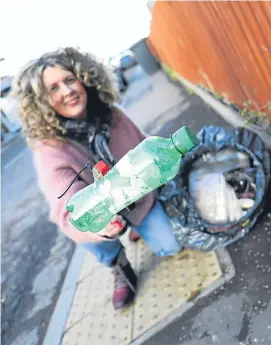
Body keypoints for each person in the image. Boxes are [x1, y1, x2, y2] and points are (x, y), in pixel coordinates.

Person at [12, 47, 182, 309]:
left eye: (69, 80)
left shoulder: (110, 113)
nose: (67, 91)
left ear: (84, 78)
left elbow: (144, 143)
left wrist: (173, 154)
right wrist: (98, 227)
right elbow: (67, 212)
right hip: (102, 215)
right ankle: (118, 264)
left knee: (170, 246)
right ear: (41, 102)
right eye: (53, 89)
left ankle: (138, 228)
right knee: (82, 231)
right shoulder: (49, 150)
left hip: (137, 199)